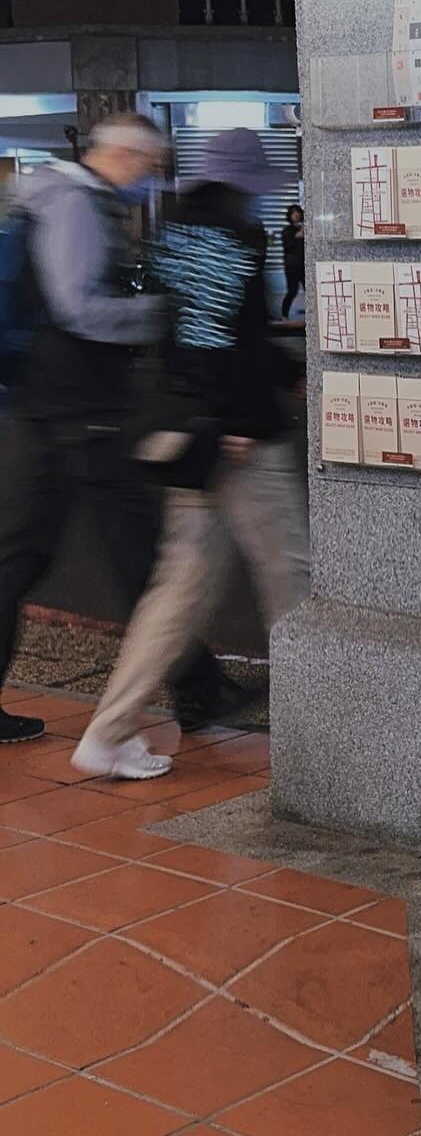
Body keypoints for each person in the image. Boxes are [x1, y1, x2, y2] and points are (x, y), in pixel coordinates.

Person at [72, 129, 310, 779]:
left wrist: (281, 374)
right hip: (234, 443)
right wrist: (238, 419)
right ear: (242, 182)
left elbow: (185, 331)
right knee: (292, 576)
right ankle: (321, 735)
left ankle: (107, 732)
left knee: (179, 591)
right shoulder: (229, 233)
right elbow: (216, 340)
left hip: (192, 436)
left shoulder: (174, 228)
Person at [0, 115, 237, 747]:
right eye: (150, 166)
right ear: (125, 156)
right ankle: (197, 686)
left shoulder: (52, 196)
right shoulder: (75, 205)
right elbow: (79, 307)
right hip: (81, 411)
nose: (149, 180)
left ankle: (198, 684)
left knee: (21, 555)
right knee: (135, 551)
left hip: (43, 405)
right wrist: (159, 315)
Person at [279, 203, 305, 319]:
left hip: (304, 265)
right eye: (293, 213)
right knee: (292, 291)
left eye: (298, 212)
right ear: (289, 216)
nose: (296, 215)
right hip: (292, 266)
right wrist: (296, 237)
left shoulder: (304, 229)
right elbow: (287, 247)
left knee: (310, 290)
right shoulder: (287, 231)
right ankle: (284, 315)